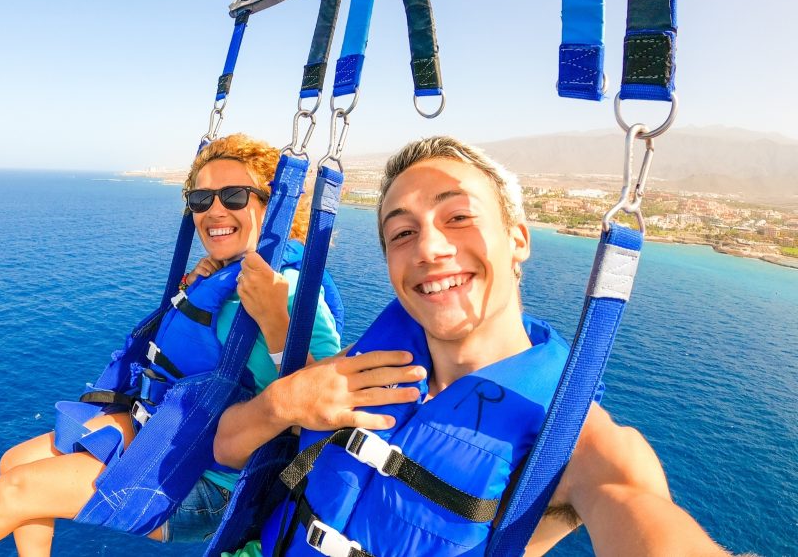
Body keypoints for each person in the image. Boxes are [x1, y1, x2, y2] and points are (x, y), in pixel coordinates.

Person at [0, 134, 342, 557]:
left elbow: (328, 413)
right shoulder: (224, 274)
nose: (213, 211)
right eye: (200, 200)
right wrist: (206, 280)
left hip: (212, 484)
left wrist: (276, 321)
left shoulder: (292, 289)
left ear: (271, 205)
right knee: (13, 463)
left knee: (19, 493)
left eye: (234, 197)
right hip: (171, 434)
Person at [213, 136, 731, 556]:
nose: (429, 249)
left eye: (458, 217)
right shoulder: (358, 372)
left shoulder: (577, 442)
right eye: (402, 233)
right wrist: (283, 403)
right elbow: (225, 448)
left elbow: (641, 514)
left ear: (518, 240)